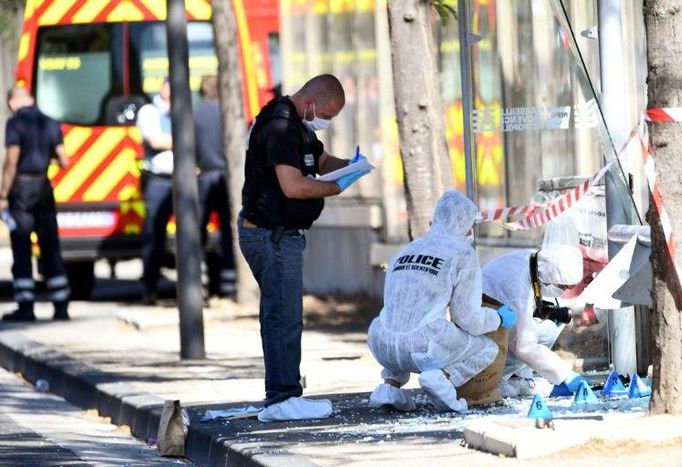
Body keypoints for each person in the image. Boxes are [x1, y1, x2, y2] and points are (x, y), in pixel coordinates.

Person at [239, 74, 370, 422]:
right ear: (311, 103)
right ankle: (283, 398)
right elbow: (293, 187)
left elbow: (321, 161)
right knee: (283, 317)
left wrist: (354, 166)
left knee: (284, 314)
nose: (328, 121)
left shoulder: (300, 126)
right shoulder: (281, 127)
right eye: (327, 113)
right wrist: (335, 189)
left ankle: (284, 394)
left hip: (279, 233)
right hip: (272, 235)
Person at [366, 190, 517, 413]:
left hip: (381, 342)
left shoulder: (407, 249)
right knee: (487, 349)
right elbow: (467, 319)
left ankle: (391, 387)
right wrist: (498, 317)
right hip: (423, 349)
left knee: (404, 325)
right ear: (466, 225)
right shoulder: (462, 254)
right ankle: (441, 380)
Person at [0, 87, 71, 321]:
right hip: (44, 186)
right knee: (50, 244)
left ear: (12, 102)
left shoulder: (15, 124)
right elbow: (64, 161)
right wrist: (43, 157)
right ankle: (61, 306)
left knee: (22, 245)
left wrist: (3, 194)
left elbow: (12, 160)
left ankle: (26, 306)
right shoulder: (50, 123)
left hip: (21, 188)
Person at [481, 245, 585, 398]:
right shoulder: (517, 287)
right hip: (485, 338)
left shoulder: (533, 263)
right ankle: (499, 378)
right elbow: (524, 346)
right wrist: (565, 374)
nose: (563, 291)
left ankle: (520, 376)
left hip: (495, 322)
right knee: (529, 337)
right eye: (562, 286)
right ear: (551, 275)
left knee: (549, 327)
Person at [194, 75, 235, 297]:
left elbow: (188, 146)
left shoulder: (195, 113)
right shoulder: (227, 111)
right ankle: (229, 283)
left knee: (198, 231)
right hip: (227, 178)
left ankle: (201, 283)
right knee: (228, 232)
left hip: (204, 176)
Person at [136, 78, 173, 304]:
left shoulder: (184, 108)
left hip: (184, 179)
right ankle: (149, 288)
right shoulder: (149, 111)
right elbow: (155, 140)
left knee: (194, 233)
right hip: (159, 180)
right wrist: (185, 137)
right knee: (154, 235)